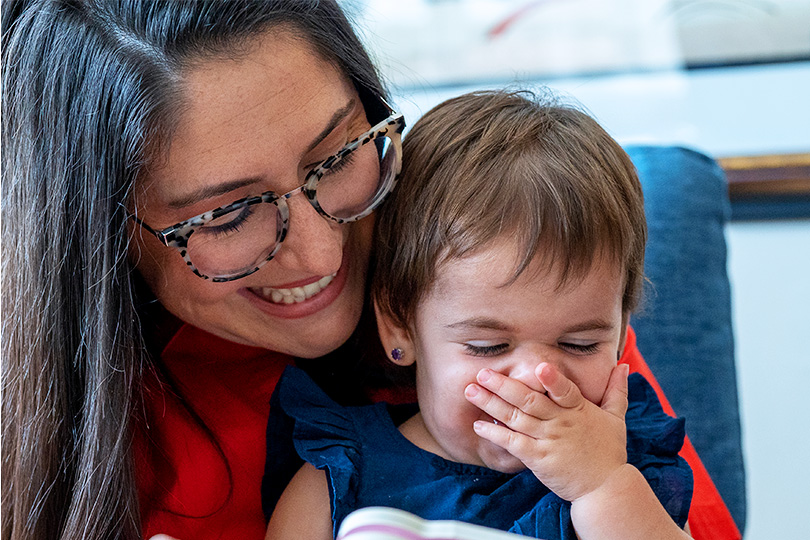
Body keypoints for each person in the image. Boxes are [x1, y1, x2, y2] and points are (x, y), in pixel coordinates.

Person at [0, 2, 738, 540]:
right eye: (226, 215)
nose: (325, 255)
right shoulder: (66, 417)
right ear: (101, 238)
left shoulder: (524, 297)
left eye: (337, 158)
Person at [265, 90, 693, 540]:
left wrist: (601, 487)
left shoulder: (628, 469)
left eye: (579, 344)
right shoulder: (340, 476)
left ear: (622, 334)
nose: (535, 377)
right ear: (400, 324)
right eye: (488, 346)